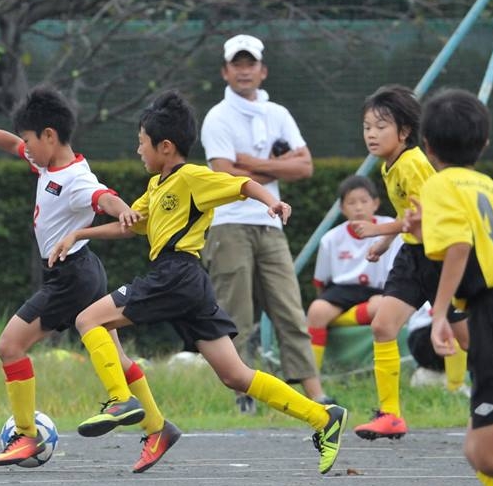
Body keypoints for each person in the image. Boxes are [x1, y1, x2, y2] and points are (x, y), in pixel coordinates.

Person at [49, 90, 348, 475]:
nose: (138, 150)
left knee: (88, 321)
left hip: (176, 274)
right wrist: (78, 235)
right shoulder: (156, 188)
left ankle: (120, 400)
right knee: (234, 375)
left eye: (142, 143)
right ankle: (323, 418)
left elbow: (239, 184)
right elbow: (131, 226)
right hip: (188, 283)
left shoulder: (190, 177)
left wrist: (269, 203)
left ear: (166, 146)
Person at [0, 86, 181, 473]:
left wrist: (123, 211)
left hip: (71, 278)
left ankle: (26, 435)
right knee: (118, 359)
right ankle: (158, 428)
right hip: (81, 270)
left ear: (49, 136)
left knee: (10, 347)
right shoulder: (46, 162)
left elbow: (102, 196)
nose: (24, 147)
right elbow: (10, 144)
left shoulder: (74, 178)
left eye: (29, 140)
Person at [200, 34, 332, 415]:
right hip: (229, 224)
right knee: (234, 313)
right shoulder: (217, 117)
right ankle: (240, 396)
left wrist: (251, 163)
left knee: (289, 308)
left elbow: (305, 167)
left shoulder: (279, 113)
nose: (244, 71)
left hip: (272, 221)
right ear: (226, 71)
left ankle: (316, 395)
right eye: (237, 64)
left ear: (263, 70)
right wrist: (275, 168)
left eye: (250, 63)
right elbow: (223, 172)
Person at [415, 88, 493, 486]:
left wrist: (439, 313)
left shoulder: (440, 182)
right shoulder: (488, 185)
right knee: (481, 447)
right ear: (485, 141)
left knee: (484, 451)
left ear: (427, 144)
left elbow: (456, 245)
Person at [348, 85, 469, 440]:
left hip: (440, 256)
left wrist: (376, 229)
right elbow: (408, 213)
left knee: (471, 340)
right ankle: (391, 415)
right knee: (383, 326)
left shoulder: (414, 163)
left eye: (381, 126)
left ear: (403, 132)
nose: (371, 133)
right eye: (367, 125)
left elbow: (427, 215)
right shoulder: (391, 164)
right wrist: (386, 242)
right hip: (413, 256)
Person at [307, 175, 401, 371]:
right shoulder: (331, 238)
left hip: (377, 291)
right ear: (342, 209)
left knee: (381, 307)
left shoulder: (390, 228)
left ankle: (337, 321)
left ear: (375, 203)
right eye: (351, 202)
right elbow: (321, 283)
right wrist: (324, 303)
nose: (358, 207)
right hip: (341, 291)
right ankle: (312, 373)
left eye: (364, 201)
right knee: (316, 311)